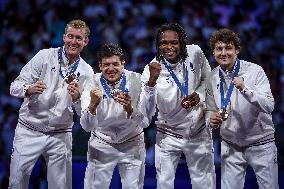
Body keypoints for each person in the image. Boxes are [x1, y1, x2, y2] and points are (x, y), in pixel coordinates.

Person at [9, 19, 94, 189]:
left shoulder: (86, 71)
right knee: (16, 183)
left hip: (60, 135)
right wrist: (28, 89)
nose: (73, 42)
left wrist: (77, 98)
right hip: (29, 130)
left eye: (79, 38)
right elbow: (14, 86)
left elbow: (84, 115)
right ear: (63, 37)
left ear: (86, 42)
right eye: (70, 36)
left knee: (61, 186)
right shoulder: (44, 56)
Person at [141, 22, 216, 189]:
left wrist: (200, 96)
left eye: (174, 42)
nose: (169, 47)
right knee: (164, 185)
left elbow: (209, 80)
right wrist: (151, 82)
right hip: (168, 133)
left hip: (198, 130)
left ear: (182, 42)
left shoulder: (195, 52)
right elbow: (146, 115)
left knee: (204, 184)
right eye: (164, 43)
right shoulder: (150, 70)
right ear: (158, 45)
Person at [206, 28, 278, 189]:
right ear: (213, 52)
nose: (223, 53)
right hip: (231, 145)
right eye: (219, 49)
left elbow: (269, 105)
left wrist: (245, 89)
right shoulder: (211, 77)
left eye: (228, 48)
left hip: (261, 143)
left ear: (237, 50)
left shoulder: (255, 71)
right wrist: (211, 119)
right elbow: (209, 109)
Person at [80, 44, 156, 189]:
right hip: (101, 141)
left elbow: (145, 122)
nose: (111, 68)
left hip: (131, 142)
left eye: (115, 64)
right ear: (100, 66)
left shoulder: (137, 81)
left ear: (123, 64)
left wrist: (130, 109)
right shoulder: (90, 83)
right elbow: (86, 126)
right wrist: (92, 105)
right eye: (106, 65)